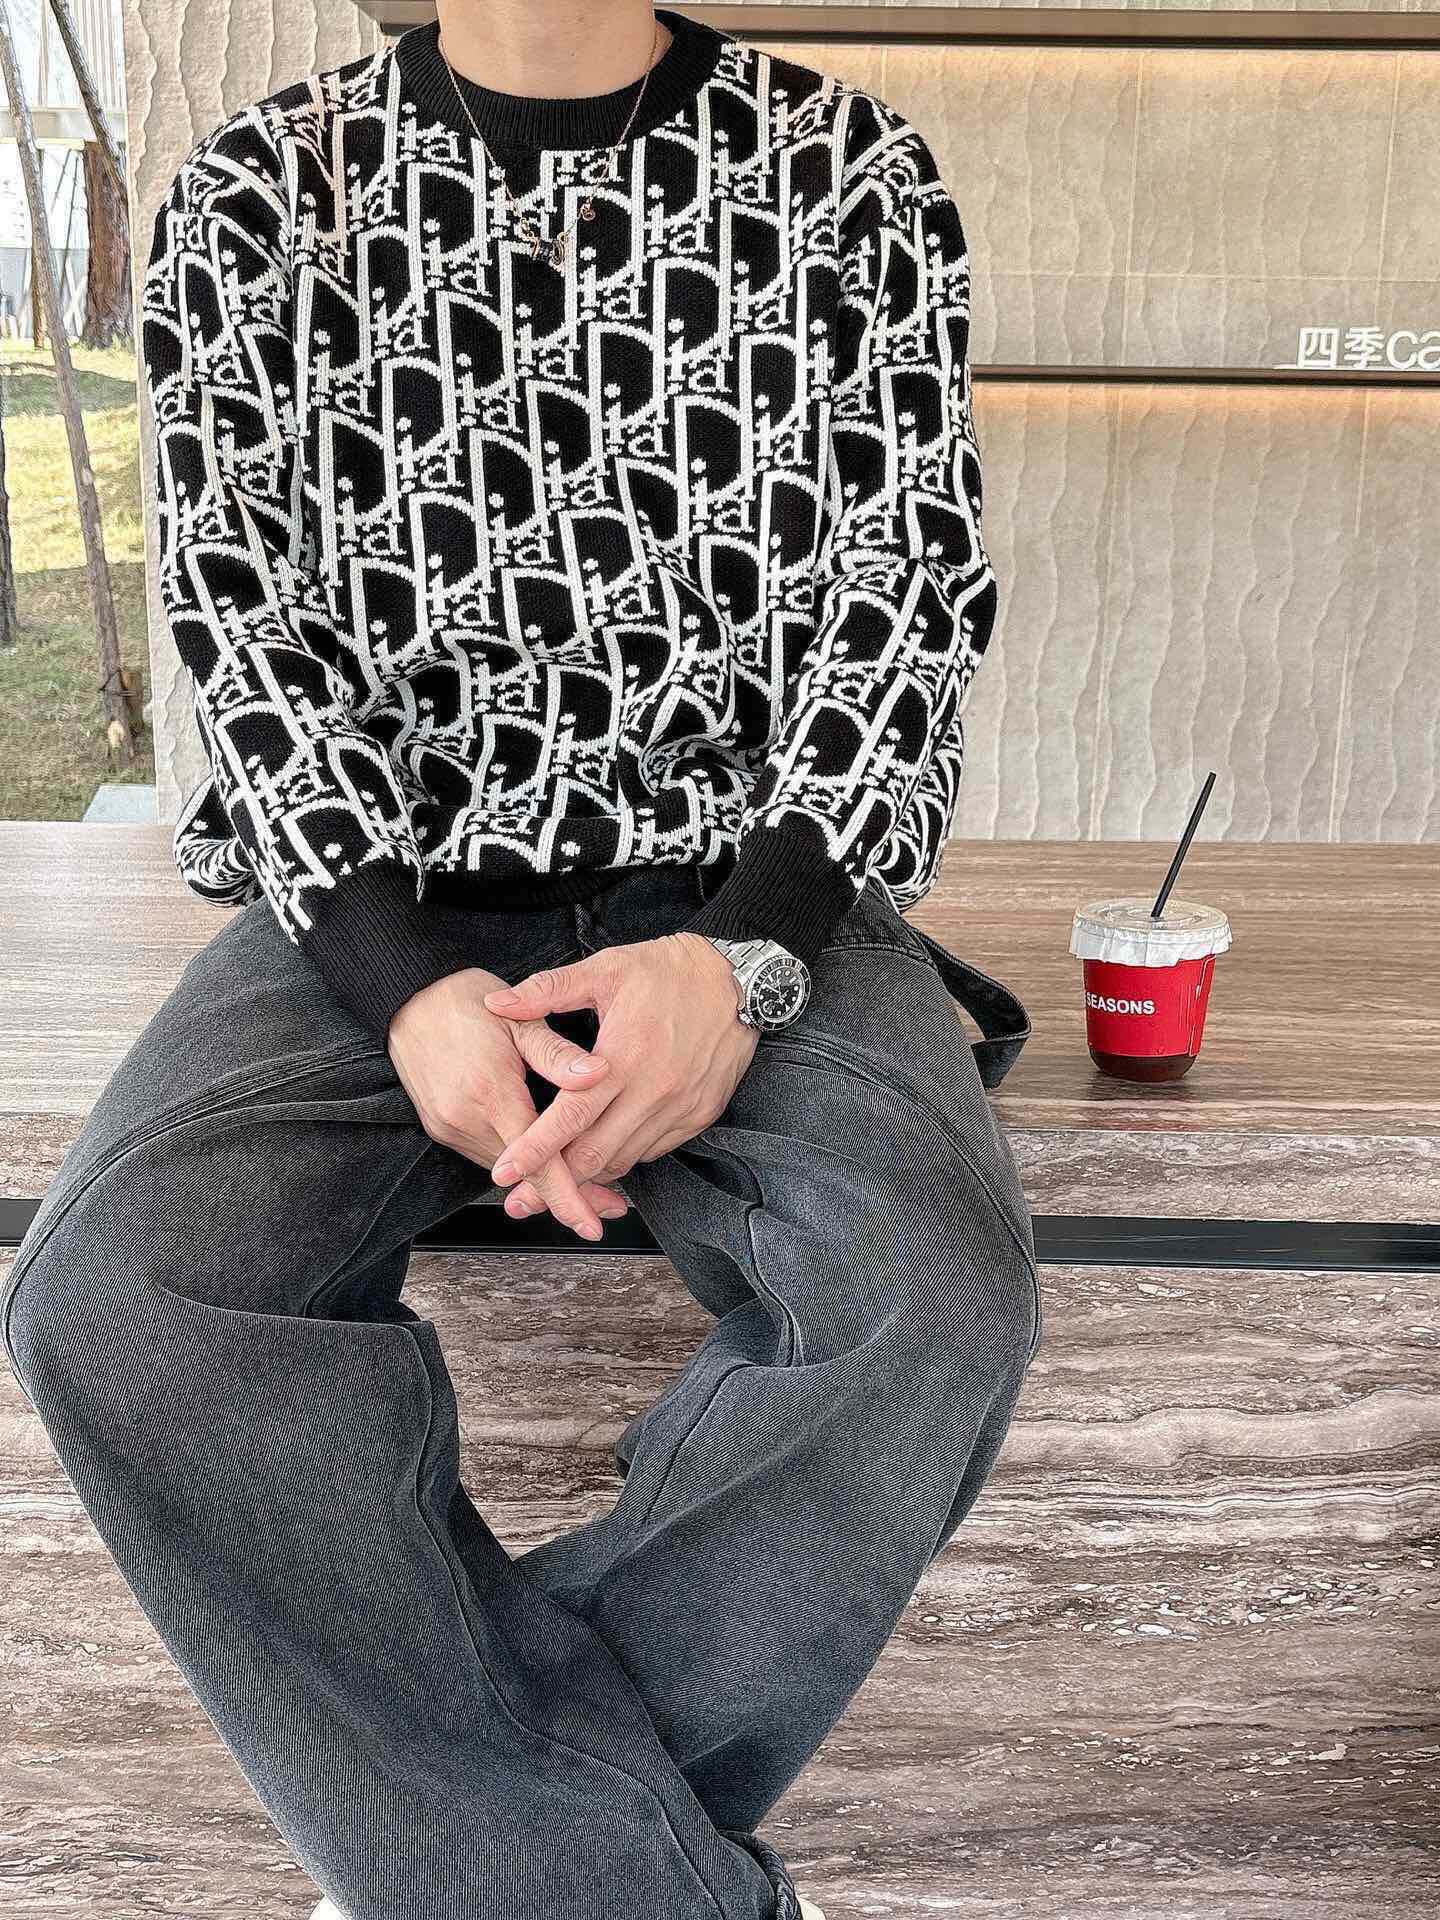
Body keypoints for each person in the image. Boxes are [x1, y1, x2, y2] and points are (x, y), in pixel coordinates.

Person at [2, 5, 1042, 1917]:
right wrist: (402, 988)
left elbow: (902, 603)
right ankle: (606, 1884)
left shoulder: (848, 175)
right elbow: (241, 621)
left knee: (929, 1295)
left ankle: (467, 1860)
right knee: (115, 1299)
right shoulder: (258, 191)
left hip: (746, 887)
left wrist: (743, 963)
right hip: (380, 894)